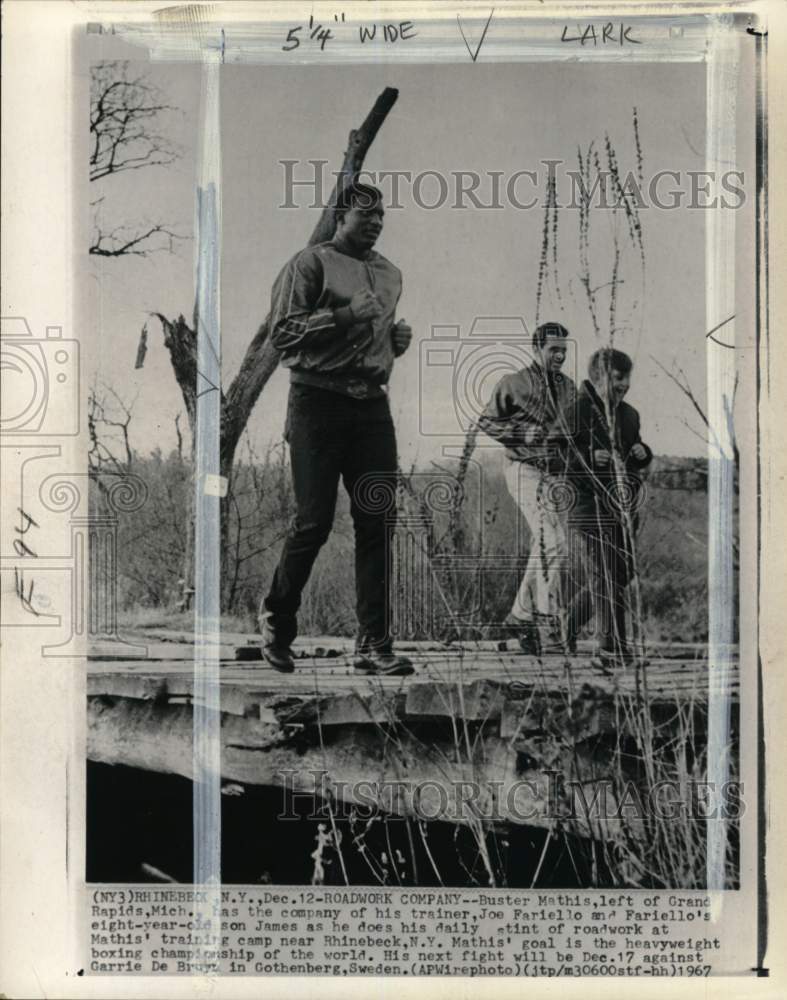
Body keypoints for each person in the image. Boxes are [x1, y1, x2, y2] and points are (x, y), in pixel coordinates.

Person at [259, 182, 414, 675]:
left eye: (382, 216)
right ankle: (277, 623)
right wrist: (346, 315)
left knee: (377, 522)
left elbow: (373, 340)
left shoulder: (390, 274)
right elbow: (281, 333)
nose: (376, 222)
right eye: (365, 214)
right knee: (314, 522)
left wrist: (394, 343)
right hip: (316, 401)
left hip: (371, 407)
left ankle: (372, 644)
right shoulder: (310, 263)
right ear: (340, 216)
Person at [548, 347, 652, 665]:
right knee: (606, 570)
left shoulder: (629, 414)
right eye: (618, 378)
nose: (625, 385)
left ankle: (568, 621)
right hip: (585, 503)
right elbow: (552, 457)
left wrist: (642, 451)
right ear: (599, 377)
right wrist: (588, 457)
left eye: (628, 379)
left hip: (620, 506)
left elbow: (638, 456)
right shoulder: (577, 410)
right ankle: (612, 647)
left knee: (622, 570)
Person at [478, 322, 576, 654]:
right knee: (554, 541)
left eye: (564, 349)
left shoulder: (569, 388)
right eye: (553, 349)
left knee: (546, 544)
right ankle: (545, 622)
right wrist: (523, 435)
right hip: (523, 469)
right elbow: (487, 421)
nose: (560, 355)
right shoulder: (513, 383)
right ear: (536, 349)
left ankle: (520, 615)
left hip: (554, 476)